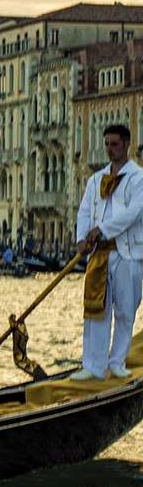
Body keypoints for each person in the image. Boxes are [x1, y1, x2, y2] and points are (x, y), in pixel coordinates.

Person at [73, 124, 143, 380]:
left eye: (114, 144)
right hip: (99, 255)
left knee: (125, 309)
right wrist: (82, 238)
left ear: (126, 144)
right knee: (96, 311)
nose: (110, 149)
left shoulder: (138, 178)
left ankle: (117, 361)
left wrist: (100, 229)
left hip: (127, 255)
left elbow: (132, 213)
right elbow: (83, 212)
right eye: (107, 144)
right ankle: (93, 366)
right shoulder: (95, 179)